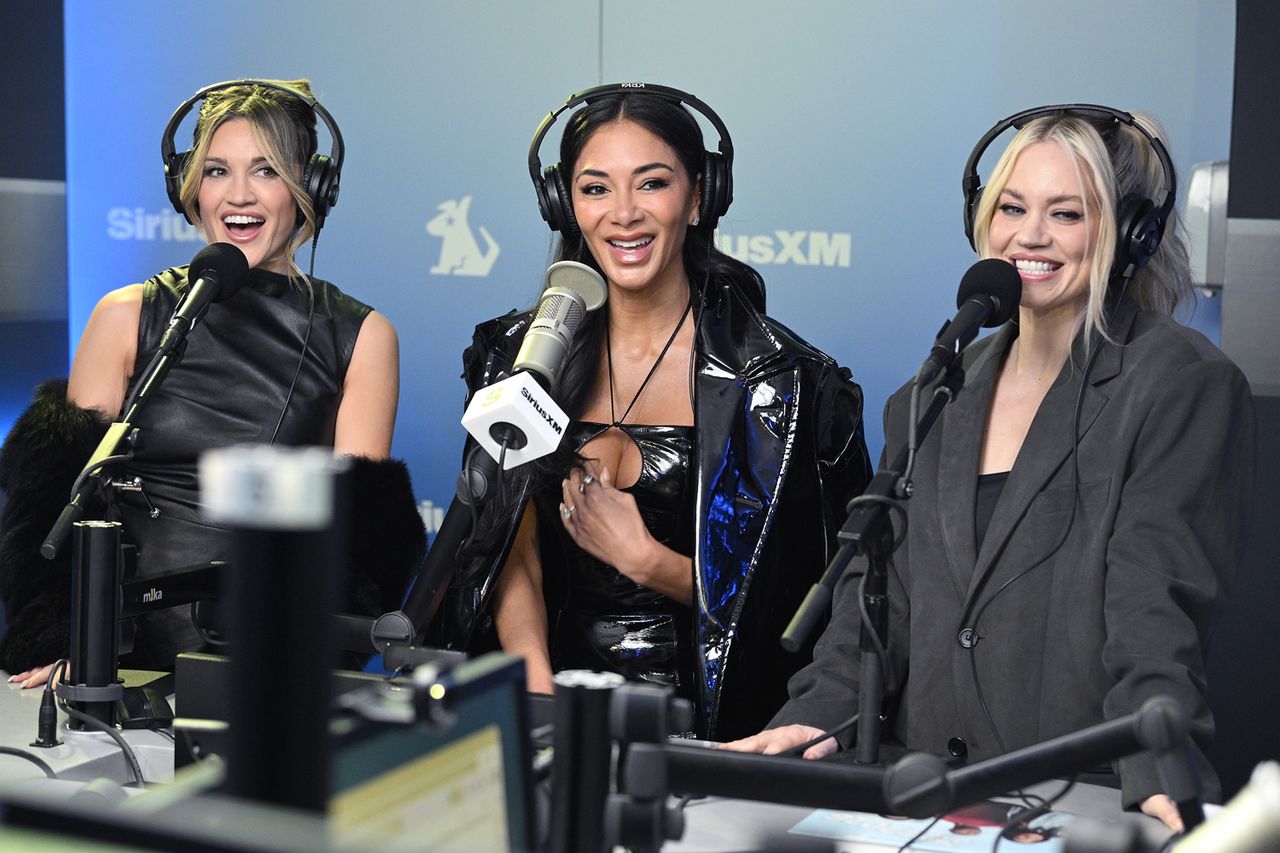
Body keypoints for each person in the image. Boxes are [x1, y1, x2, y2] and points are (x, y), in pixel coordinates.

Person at [724, 106, 1256, 832]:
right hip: (918, 797)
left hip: (1076, 796)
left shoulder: (1178, 384)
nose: (1028, 235)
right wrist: (812, 718)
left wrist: (1162, 777)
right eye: (1011, 207)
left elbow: (1154, 610)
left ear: (1132, 234)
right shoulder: (935, 389)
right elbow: (871, 613)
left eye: (1066, 212)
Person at [434, 83, 872, 740]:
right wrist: (540, 696)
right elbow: (507, 550)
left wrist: (649, 561)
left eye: (652, 183)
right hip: (551, 714)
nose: (624, 213)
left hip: (721, 729)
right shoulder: (515, 356)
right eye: (595, 188)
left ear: (699, 196)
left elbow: (826, 610)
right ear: (564, 205)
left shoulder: (787, 382)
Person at [1, 79, 422, 686]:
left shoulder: (360, 336)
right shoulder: (125, 315)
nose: (239, 195)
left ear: (310, 187)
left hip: (262, 666)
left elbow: (359, 542)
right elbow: (55, 503)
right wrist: (56, 638)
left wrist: (300, 668)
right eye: (217, 171)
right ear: (189, 186)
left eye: (267, 171)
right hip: (108, 664)